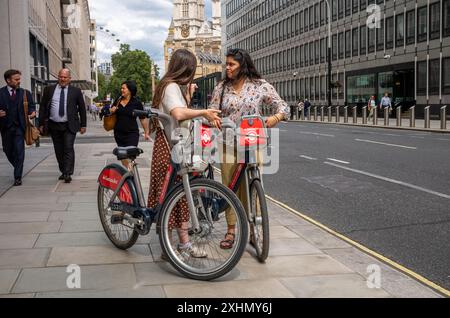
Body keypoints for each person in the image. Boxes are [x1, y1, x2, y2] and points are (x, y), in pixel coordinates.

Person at [209, 48, 289, 249]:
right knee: (230, 186)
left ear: (242, 66)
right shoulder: (221, 87)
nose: (227, 68)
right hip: (227, 143)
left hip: (253, 142)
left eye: (231, 65)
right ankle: (231, 230)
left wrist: (275, 117)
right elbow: (212, 112)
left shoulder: (259, 86)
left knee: (254, 184)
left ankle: (255, 230)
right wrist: (215, 120)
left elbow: (283, 106)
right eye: (226, 64)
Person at [149, 48, 222, 259]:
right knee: (172, 197)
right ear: (185, 68)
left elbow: (180, 113)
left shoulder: (171, 86)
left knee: (180, 197)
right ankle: (170, 246)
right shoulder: (170, 86)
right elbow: (178, 114)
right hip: (169, 147)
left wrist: (189, 95)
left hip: (174, 146)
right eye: (191, 70)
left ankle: (180, 244)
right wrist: (204, 111)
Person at [39, 69, 87, 184]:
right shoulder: (49, 90)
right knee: (58, 149)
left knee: (68, 147)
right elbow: (43, 107)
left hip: (70, 125)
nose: (62, 79)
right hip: (54, 125)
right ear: (58, 77)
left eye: (65, 77)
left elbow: (82, 108)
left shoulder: (76, 91)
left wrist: (83, 125)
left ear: (69, 79)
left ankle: (68, 173)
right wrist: (40, 123)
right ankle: (63, 170)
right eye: (61, 76)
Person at [0, 69, 36, 186]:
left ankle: (17, 177)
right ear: (8, 80)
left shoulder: (25, 93)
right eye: (16, 79)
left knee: (20, 152)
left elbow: (31, 106)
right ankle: (18, 166)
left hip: (20, 128)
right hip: (5, 128)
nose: (19, 81)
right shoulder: (0, 93)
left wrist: (32, 112)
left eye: (19, 79)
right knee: (7, 151)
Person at [109, 80, 150, 169]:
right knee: (123, 156)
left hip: (132, 133)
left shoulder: (136, 103)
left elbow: (143, 118)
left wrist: (146, 132)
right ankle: (129, 172)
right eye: (121, 88)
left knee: (131, 155)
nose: (121, 90)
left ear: (130, 90)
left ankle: (131, 174)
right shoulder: (118, 100)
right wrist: (111, 110)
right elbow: (111, 111)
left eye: (124, 88)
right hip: (119, 133)